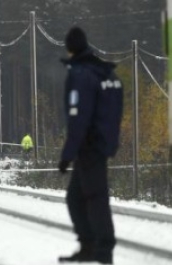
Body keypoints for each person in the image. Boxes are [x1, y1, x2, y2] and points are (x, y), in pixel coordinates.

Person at [57, 27, 123, 265]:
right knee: (75, 198)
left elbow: (79, 118)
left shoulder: (82, 75)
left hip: (89, 148)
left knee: (95, 199)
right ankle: (88, 246)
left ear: (70, 47)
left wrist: (68, 154)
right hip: (99, 145)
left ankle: (103, 252)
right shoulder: (105, 74)